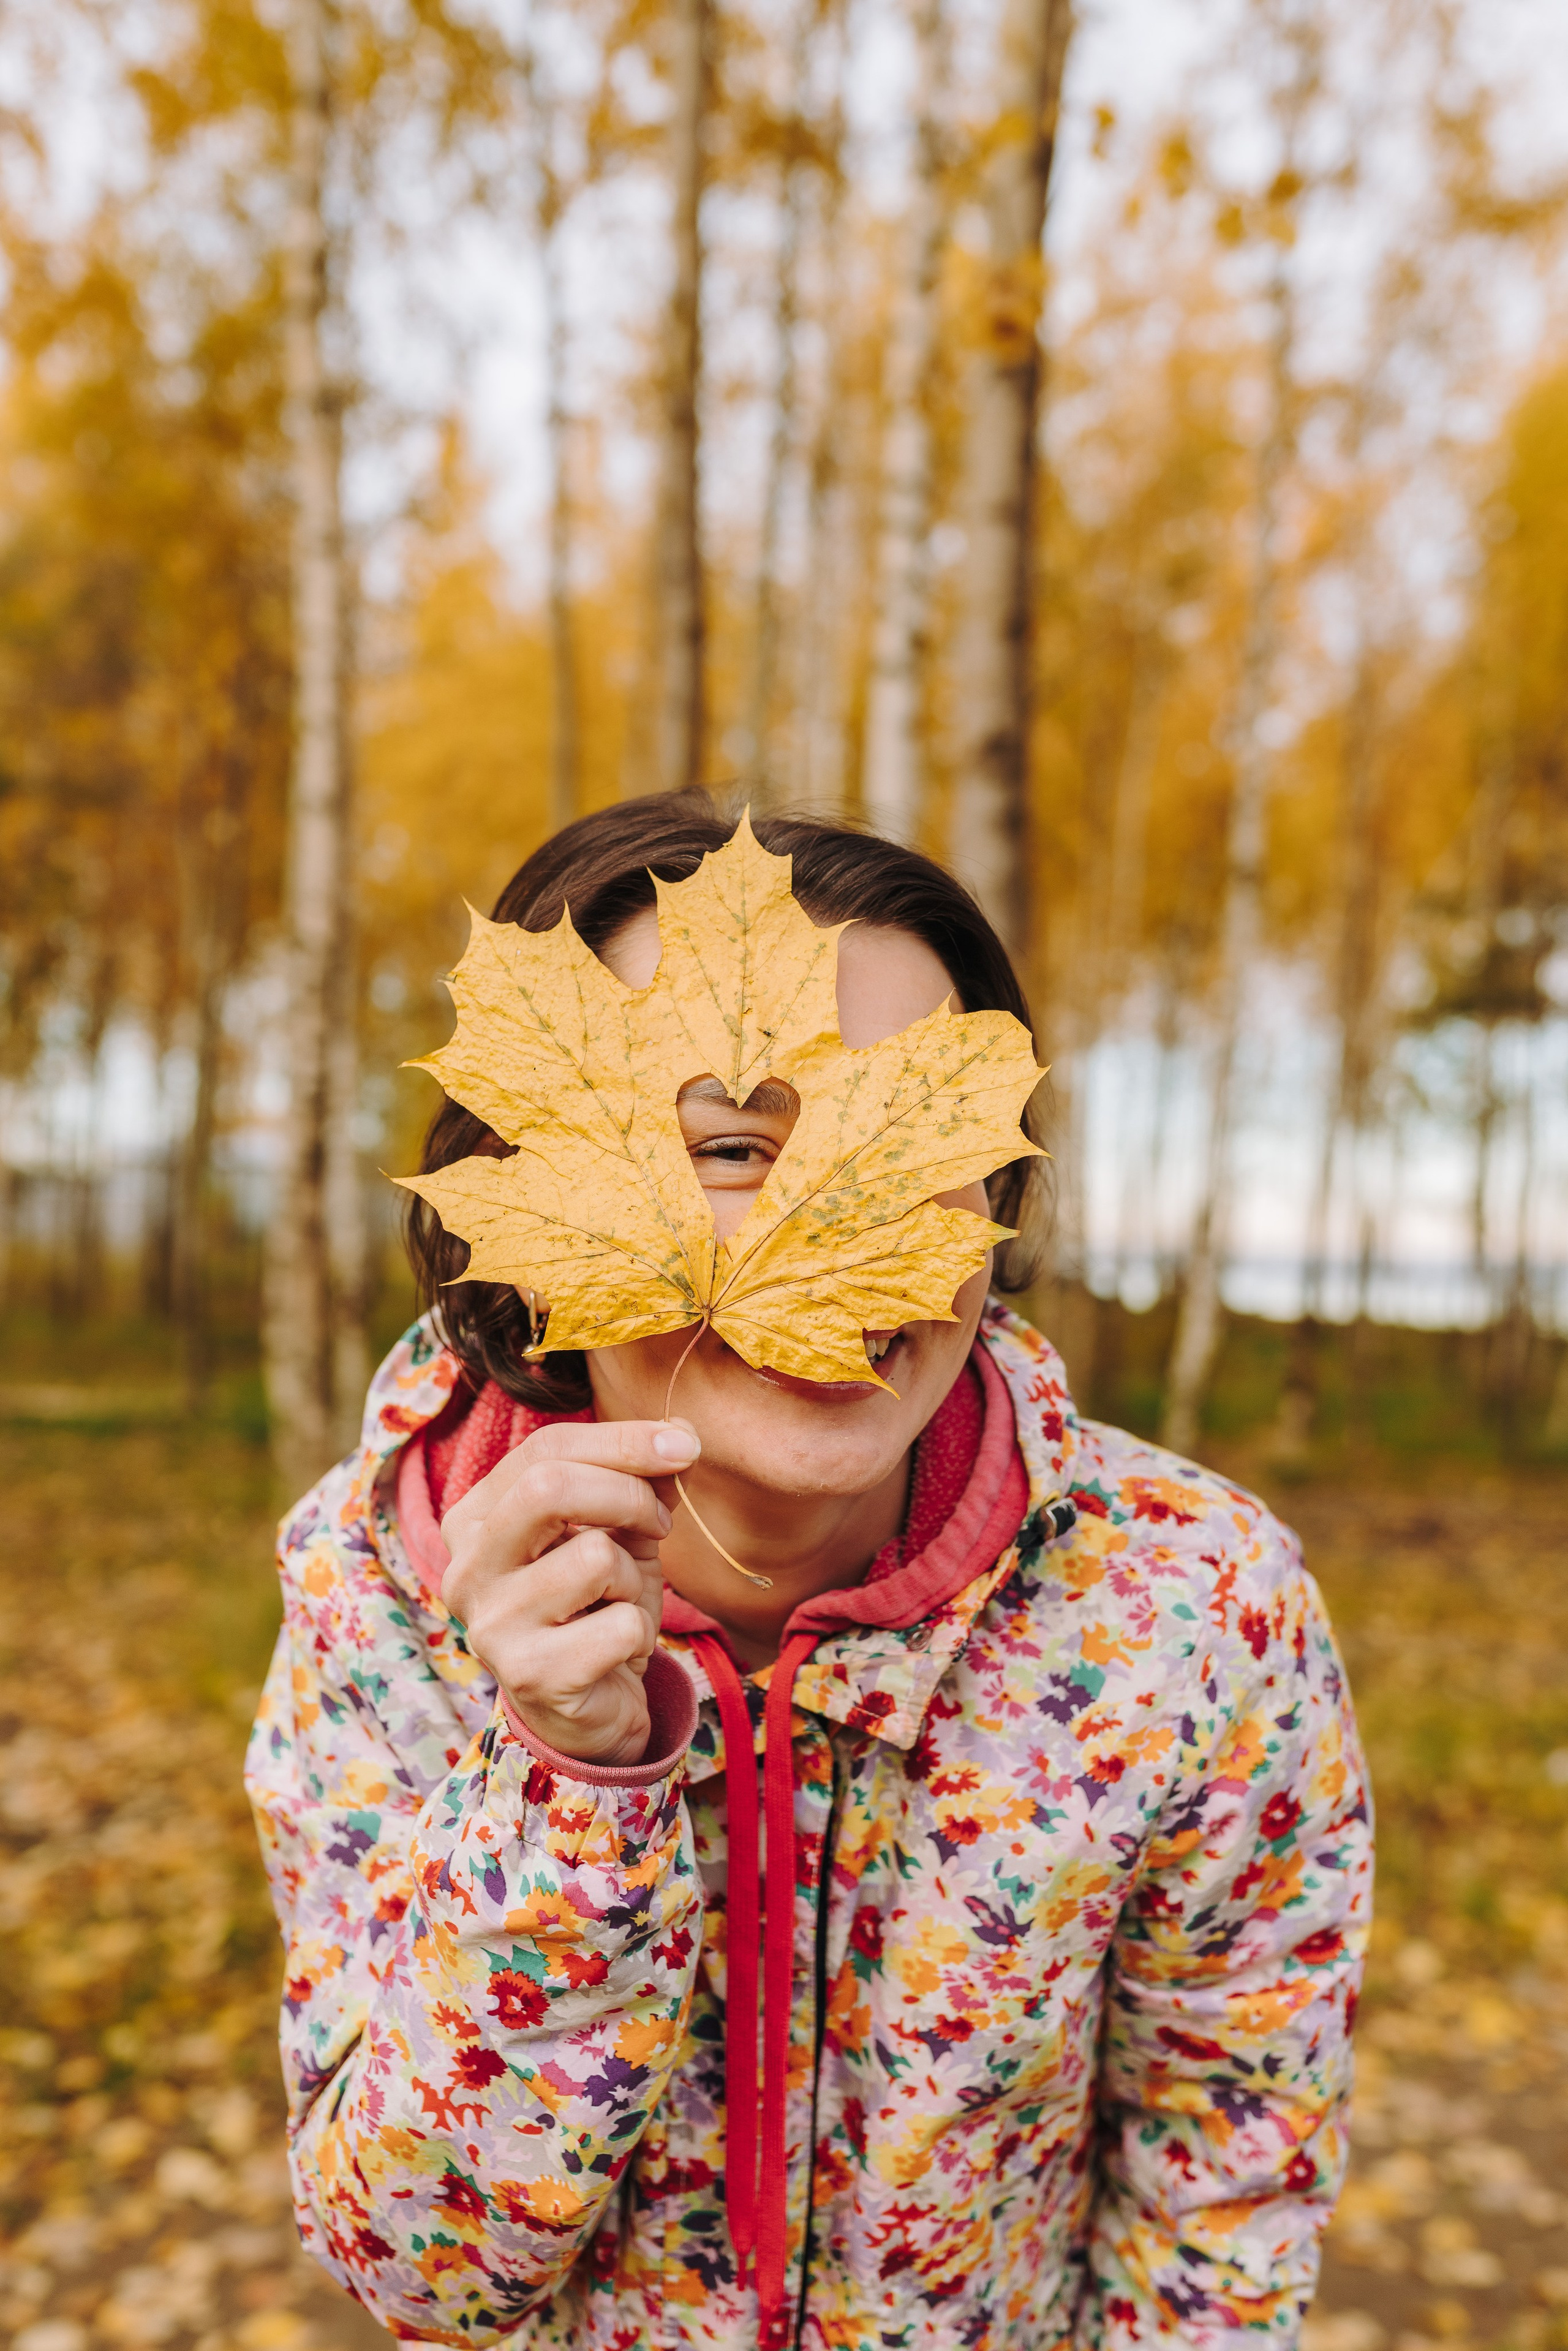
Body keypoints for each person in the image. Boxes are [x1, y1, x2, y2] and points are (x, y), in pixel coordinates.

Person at [247, 791, 1371, 2351]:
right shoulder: (379, 1584)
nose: (836, 1229)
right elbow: (422, 2272)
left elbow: (1221, 2188)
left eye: (914, 1148)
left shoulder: (1192, 1602)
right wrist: (564, 1784)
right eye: (731, 1146)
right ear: (533, 1188)